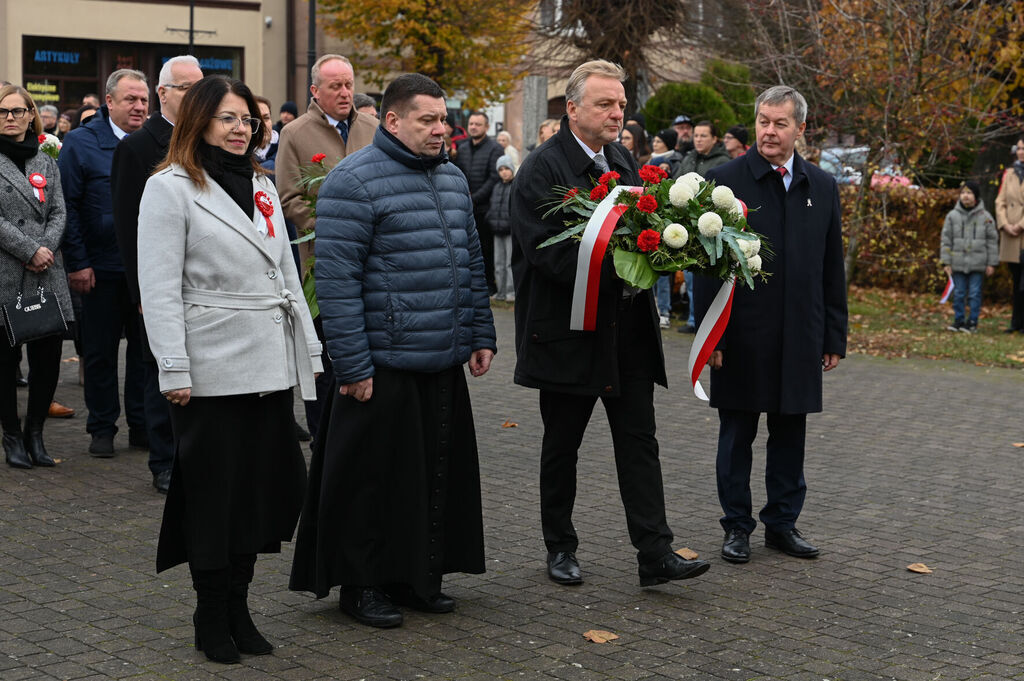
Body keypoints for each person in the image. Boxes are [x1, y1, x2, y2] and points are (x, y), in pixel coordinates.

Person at [289, 73, 496, 628]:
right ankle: (361, 585)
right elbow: (337, 283)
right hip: (381, 364)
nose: (440, 129)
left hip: (441, 356)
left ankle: (415, 578)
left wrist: (481, 333)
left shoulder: (452, 177)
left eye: (443, 118)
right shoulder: (352, 180)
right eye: (427, 120)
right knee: (371, 482)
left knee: (430, 476)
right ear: (393, 120)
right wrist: (353, 365)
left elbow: (471, 262)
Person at [137, 74, 322, 664]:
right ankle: (210, 612)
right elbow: (158, 287)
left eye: (247, 119)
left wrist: (309, 352)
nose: (241, 129)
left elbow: (285, 271)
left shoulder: (262, 185)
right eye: (228, 119)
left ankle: (240, 607)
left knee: (258, 496)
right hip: (209, 365)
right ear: (199, 122)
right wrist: (173, 366)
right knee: (214, 498)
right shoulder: (169, 188)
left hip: (267, 362)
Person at [510, 59, 710, 589]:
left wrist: (664, 252)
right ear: (573, 109)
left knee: (639, 442)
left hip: (628, 334)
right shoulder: (542, 170)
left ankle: (655, 552)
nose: (617, 113)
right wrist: (625, 263)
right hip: (569, 334)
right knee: (562, 447)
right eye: (605, 104)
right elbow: (545, 254)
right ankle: (560, 547)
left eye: (620, 104)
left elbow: (646, 226)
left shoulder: (621, 159)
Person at [694, 85, 848, 565]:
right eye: (763, 121)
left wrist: (833, 335)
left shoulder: (821, 186)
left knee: (790, 434)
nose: (769, 132)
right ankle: (736, 527)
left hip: (800, 333)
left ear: (800, 128)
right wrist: (712, 336)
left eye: (781, 124)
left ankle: (782, 524)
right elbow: (705, 264)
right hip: (741, 334)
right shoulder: (724, 181)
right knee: (736, 435)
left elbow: (831, 267)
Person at [111, 55, 203, 493]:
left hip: (200, 278)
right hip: (158, 280)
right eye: (187, 88)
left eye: (200, 86)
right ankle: (163, 461)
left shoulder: (206, 139)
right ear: (162, 93)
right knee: (159, 369)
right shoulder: (137, 147)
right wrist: (142, 291)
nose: (196, 95)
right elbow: (128, 227)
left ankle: (193, 454)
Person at [275, 53, 378, 444]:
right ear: (315, 91)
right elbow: (289, 198)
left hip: (373, 263)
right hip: (322, 267)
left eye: (349, 84)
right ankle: (323, 441)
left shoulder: (373, 128)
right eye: (335, 86)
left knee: (367, 354)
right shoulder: (295, 133)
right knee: (325, 359)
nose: (345, 92)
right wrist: (334, 226)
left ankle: (361, 440)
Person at [59, 68, 150, 457]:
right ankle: (101, 428)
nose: (139, 107)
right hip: (99, 269)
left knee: (145, 354)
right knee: (99, 353)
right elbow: (68, 207)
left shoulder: (153, 141)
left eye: (144, 100)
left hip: (145, 269)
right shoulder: (80, 143)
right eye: (131, 99)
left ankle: (142, 426)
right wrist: (78, 263)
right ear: (109, 101)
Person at [0, 85, 73, 469]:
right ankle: (11, 436)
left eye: (17, 111)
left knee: (47, 360)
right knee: (5, 361)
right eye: (2, 112)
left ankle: (35, 433)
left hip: (46, 272)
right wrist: (30, 250)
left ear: (31, 115)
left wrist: (45, 248)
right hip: (7, 270)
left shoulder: (47, 161)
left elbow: (59, 210)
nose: (10, 118)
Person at [455, 110, 503, 294]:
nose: (473, 127)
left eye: (478, 124)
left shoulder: (495, 148)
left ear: (487, 127)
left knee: (486, 248)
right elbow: (458, 174)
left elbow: (494, 178)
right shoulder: (462, 148)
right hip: (465, 207)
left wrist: (474, 198)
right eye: (471, 124)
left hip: (485, 208)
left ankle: (489, 284)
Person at [941, 181, 999, 333]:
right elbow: (946, 240)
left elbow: (992, 241)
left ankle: (972, 322)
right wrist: (946, 261)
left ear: (976, 196)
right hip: (957, 262)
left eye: (969, 193)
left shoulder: (985, 217)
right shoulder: (952, 216)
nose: (965, 196)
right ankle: (958, 320)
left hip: (978, 263)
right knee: (959, 293)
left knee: (974, 293)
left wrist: (991, 263)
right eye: (963, 193)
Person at [994, 137, 1024, 334]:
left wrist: (1021, 225)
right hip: (1011, 234)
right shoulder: (1010, 173)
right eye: (1019, 148)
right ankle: (1016, 322)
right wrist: (1005, 224)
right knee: (1016, 279)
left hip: (1021, 230)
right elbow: (1000, 201)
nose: (1021, 152)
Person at [487, 155, 516, 301]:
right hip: (497, 231)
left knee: (509, 263)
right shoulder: (496, 187)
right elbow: (493, 206)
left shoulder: (515, 186)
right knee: (498, 263)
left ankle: (511, 292)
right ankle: (500, 291)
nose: (504, 172)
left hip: (510, 231)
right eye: (501, 169)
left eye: (506, 168)